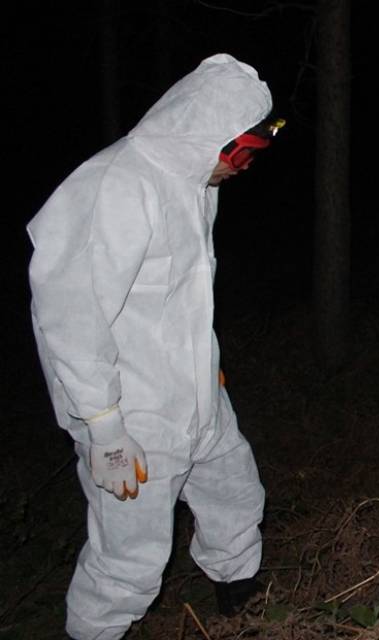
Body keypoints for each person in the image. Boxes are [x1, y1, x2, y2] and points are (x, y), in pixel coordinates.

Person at [27, 54, 279, 639]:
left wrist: (207, 373)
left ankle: (241, 615)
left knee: (236, 499)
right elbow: (68, 315)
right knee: (129, 563)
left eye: (254, 155)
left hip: (196, 402)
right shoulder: (115, 185)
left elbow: (176, 302)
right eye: (241, 153)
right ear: (204, 135)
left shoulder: (191, 183)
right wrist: (104, 426)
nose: (243, 168)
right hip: (133, 419)